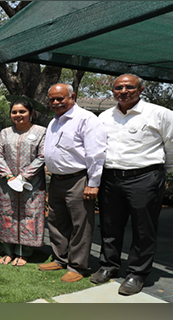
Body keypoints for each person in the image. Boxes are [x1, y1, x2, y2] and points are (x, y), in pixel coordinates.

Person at [91, 74, 173, 295]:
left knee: (143, 229)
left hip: (145, 178)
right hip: (111, 178)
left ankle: (137, 273)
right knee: (109, 225)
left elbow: (171, 145)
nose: (123, 91)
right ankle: (109, 265)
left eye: (129, 87)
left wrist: (162, 175)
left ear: (141, 89)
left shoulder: (161, 114)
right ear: (112, 90)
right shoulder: (105, 116)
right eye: (119, 87)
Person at [39, 83, 107, 282]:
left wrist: (93, 183)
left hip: (78, 179)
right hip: (57, 180)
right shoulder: (54, 121)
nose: (56, 102)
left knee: (81, 225)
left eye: (60, 98)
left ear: (72, 96)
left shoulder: (86, 119)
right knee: (56, 221)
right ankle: (60, 258)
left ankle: (77, 266)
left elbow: (96, 154)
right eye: (52, 99)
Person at [0, 100, 46, 267]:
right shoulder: (5, 132)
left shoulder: (41, 132)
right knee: (7, 214)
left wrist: (24, 177)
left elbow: (42, 156)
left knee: (29, 215)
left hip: (32, 184)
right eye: (14, 112)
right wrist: (9, 176)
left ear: (31, 113)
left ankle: (24, 253)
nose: (18, 115)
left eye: (22, 111)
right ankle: (9, 251)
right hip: (7, 183)